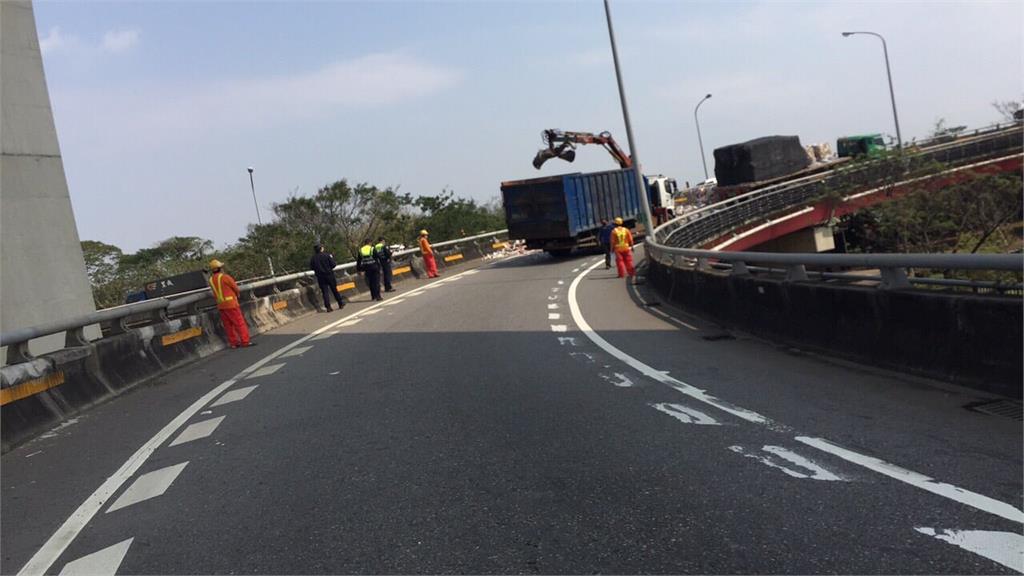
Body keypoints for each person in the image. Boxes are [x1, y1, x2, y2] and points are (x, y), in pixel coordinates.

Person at [208, 259, 253, 348]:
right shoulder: (225, 277)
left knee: (228, 326)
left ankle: (233, 343)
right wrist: (237, 295)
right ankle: (245, 342)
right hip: (231, 304)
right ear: (220, 268)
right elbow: (235, 288)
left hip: (221, 306)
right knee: (239, 323)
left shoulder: (211, 280)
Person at [309, 244, 345, 311]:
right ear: (321, 249)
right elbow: (333, 264)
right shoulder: (327, 255)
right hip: (329, 275)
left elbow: (312, 267)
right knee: (334, 290)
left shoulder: (313, 258)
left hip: (320, 277)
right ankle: (340, 303)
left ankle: (328, 307)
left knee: (325, 292)